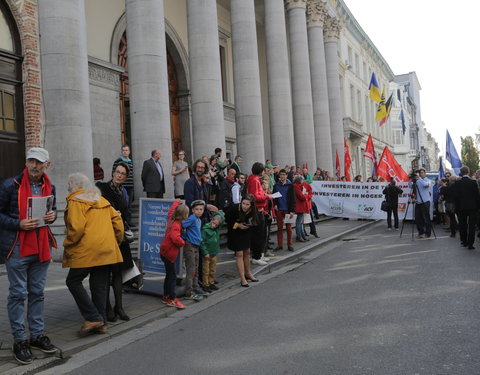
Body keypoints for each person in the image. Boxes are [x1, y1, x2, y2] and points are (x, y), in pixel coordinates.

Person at [0, 147, 58, 364]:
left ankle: (36, 335)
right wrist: (18, 224)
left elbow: (53, 210)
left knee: (37, 292)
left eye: (38, 162)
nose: (34, 166)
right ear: (26, 162)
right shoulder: (9, 185)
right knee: (17, 294)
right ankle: (20, 340)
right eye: (31, 161)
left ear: (46, 165)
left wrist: (53, 216)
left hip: (41, 246)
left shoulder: (50, 185)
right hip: (17, 247)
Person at [63, 173, 124, 335]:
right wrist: (115, 242)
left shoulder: (76, 201)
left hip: (87, 250)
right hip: (106, 249)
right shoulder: (102, 200)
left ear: (75, 185)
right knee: (99, 286)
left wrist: (67, 244)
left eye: (69, 183)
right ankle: (102, 323)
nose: (67, 187)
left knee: (73, 281)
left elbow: (76, 229)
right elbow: (118, 223)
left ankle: (93, 317)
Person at [96, 162, 134, 321]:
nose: (119, 175)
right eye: (117, 172)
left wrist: (121, 216)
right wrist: (110, 213)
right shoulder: (101, 188)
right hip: (105, 235)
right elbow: (94, 209)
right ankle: (107, 308)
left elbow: (127, 213)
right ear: (113, 173)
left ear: (125, 177)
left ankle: (119, 306)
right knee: (105, 273)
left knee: (118, 272)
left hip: (119, 237)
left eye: (122, 174)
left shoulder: (125, 192)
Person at [226, 194, 260, 287]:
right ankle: (242, 278)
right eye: (243, 203)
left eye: (247, 204)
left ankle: (248, 273)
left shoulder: (253, 210)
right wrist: (238, 225)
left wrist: (249, 225)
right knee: (239, 254)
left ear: (251, 205)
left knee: (247, 252)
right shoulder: (234, 208)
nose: (244, 206)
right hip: (235, 232)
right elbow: (228, 220)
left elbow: (255, 221)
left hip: (246, 232)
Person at [160, 200, 189, 309]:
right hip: (169, 253)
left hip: (164, 251)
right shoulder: (176, 224)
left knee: (169, 275)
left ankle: (166, 296)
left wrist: (176, 202)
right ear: (183, 215)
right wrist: (182, 242)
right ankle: (172, 298)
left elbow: (171, 210)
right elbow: (175, 237)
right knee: (172, 277)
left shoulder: (172, 218)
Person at [247, 162, 273, 266]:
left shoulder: (254, 179)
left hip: (259, 209)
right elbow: (255, 196)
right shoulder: (254, 180)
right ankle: (256, 256)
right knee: (259, 234)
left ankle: (258, 255)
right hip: (257, 209)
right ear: (260, 171)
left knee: (261, 234)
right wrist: (266, 197)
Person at [182, 200, 208, 300]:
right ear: (192, 210)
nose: (199, 211)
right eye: (197, 209)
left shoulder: (198, 220)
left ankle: (195, 287)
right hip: (189, 246)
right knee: (191, 269)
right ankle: (189, 292)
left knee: (196, 268)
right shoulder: (192, 218)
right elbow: (182, 225)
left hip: (196, 245)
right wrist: (185, 237)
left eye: (201, 209)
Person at [453, 166, 480, 249]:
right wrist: (478, 206)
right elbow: (477, 196)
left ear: (461, 172)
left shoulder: (457, 183)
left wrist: (456, 207)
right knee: (471, 226)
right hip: (472, 207)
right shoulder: (473, 182)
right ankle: (470, 243)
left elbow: (456, 197)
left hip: (461, 207)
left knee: (462, 224)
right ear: (468, 172)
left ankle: (463, 241)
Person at [200, 211, 225, 292]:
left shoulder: (217, 229)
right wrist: (205, 252)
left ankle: (211, 282)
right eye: (213, 223)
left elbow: (222, 219)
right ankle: (205, 284)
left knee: (212, 269)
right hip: (207, 254)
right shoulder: (205, 229)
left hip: (214, 253)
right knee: (206, 270)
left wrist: (219, 214)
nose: (214, 225)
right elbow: (202, 242)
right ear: (211, 220)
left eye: (216, 225)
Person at [273, 169, 295, 252]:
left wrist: (292, 210)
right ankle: (280, 245)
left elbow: (293, 199)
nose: (282, 176)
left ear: (286, 176)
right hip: (279, 209)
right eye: (280, 175)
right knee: (279, 228)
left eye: (283, 174)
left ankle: (290, 245)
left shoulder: (290, 185)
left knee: (288, 228)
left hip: (287, 209)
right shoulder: (276, 185)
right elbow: (274, 196)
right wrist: (275, 204)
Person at [412, 169, 432, 238]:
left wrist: (419, 179)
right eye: (420, 173)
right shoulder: (417, 181)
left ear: (425, 173)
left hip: (425, 202)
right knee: (418, 218)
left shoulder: (427, 180)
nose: (422, 174)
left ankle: (428, 233)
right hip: (418, 202)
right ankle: (421, 232)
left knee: (426, 218)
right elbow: (411, 185)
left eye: (423, 173)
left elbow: (425, 185)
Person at [293, 175, 309, 242]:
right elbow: (301, 197)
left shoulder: (298, 186)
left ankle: (302, 235)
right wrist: (306, 195)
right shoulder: (296, 187)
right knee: (299, 222)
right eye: (302, 180)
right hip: (299, 206)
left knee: (301, 222)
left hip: (300, 206)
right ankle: (299, 236)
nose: (303, 181)